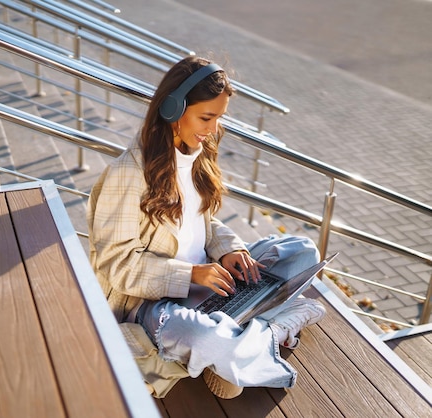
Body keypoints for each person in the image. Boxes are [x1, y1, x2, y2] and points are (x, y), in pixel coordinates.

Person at [86, 56, 326, 399]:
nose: (213, 129)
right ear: (172, 110)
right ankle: (269, 331)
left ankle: (234, 342)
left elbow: (201, 221)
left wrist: (231, 250)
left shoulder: (196, 152)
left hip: (212, 285)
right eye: (206, 117)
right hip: (155, 304)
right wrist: (192, 274)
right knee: (202, 336)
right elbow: (118, 265)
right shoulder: (128, 173)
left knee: (302, 252)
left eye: (220, 117)